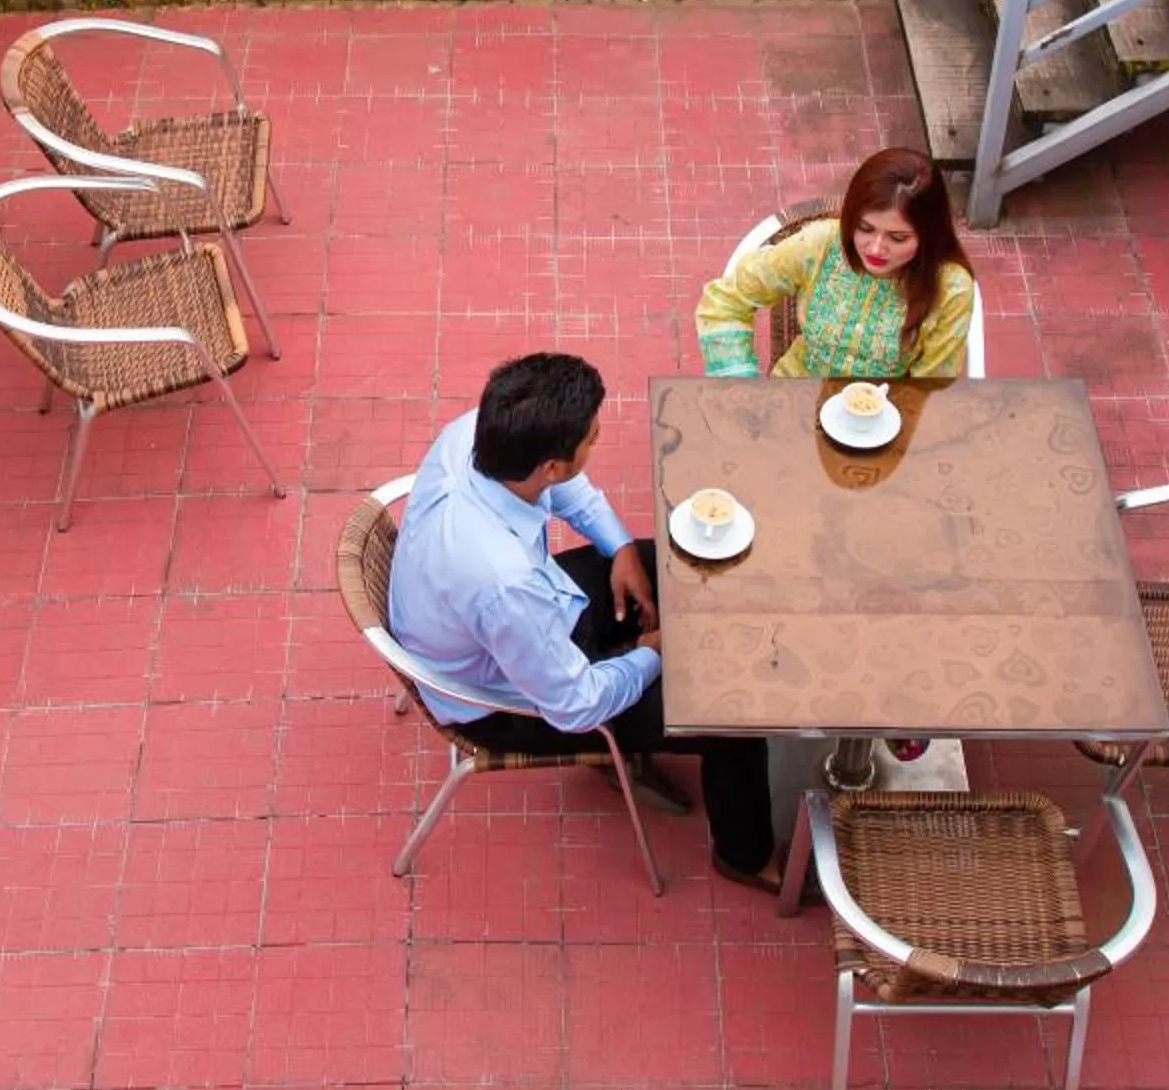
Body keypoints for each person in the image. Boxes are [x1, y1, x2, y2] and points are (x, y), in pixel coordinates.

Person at [384, 352, 782, 890]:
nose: (597, 441)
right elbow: (575, 705)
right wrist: (653, 653)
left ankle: (641, 729)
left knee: (675, 563)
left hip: (517, 617)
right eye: (591, 438)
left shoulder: (479, 435)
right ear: (551, 463)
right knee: (732, 719)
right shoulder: (503, 583)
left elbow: (563, 487)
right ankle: (746, 856)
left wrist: (620, 549)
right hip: (503, 699)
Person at [694, 146, 976, 380]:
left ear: (929, 235)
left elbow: (932, 387)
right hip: (794, 398)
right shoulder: (820, 244)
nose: (876, 248)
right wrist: (742, 381)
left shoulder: (951, 287)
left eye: (898, 238)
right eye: (865, 229)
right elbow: (724, 302)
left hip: (884, 414)